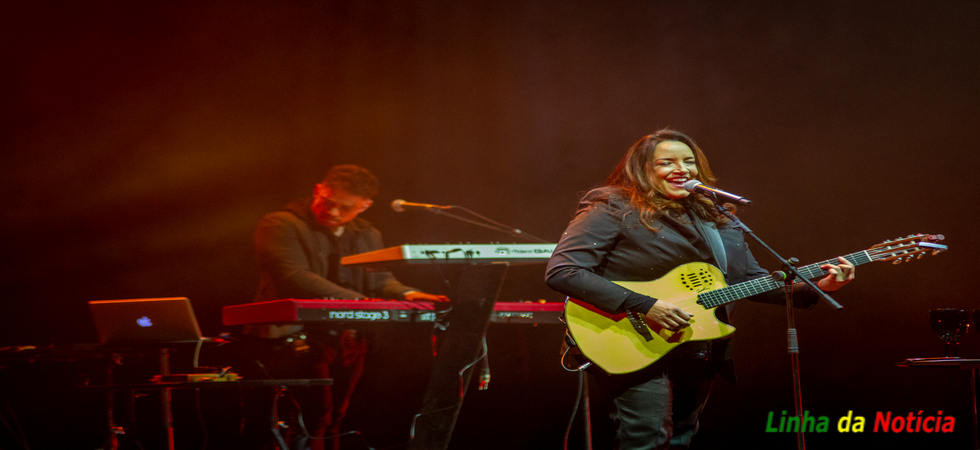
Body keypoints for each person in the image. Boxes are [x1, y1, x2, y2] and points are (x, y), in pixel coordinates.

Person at [544, 130, 855, 450]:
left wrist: (819, 286)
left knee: (681, 438)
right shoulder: (612, 206)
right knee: (648, 439)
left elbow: (750, 281)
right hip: (630, 337)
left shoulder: (716, 216)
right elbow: (564, 272)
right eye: (667, 162)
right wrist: (646, 305)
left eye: (688, 162)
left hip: (698, 343)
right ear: (643, 170)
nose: (681, 169)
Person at [238, 164, 447, 450]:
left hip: (347, 338)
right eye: (327, 202)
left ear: (365, 205)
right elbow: (293, 276)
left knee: (333, 417)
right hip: (286, 337)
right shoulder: (280, 224)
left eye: (345, 208)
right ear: (317, 190)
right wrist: (360, 302)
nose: (333, 212)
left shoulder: (367, 234)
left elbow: (379, 278)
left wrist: (410, 293)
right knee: (298, 418)